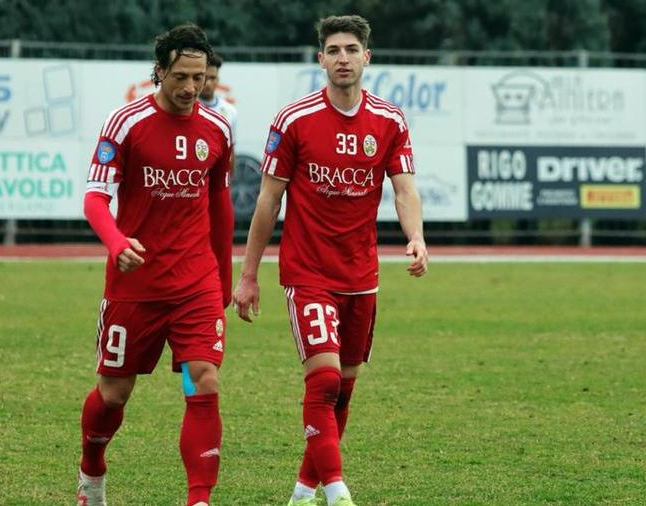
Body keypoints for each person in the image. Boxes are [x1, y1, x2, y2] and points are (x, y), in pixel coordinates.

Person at [232, 15, 428, 506]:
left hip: (361, 274)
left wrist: (416, 237)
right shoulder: (294, 120)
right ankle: (338, 492)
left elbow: (404, 189)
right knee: (322, 378)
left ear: (367, 57)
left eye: (351, 50)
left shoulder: (389, 120)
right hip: (308, 272)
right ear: (320, 59)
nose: (343, 58)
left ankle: (303, 492)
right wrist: (249, 275)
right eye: (334, 50)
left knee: (343, 388)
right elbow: (268, 202)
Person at [77, 23, 233, 506]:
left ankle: (199, 499)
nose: (191, 87)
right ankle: (92, 470)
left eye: (199, 78)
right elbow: (95, 198)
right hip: (136, 284)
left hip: (196, 282)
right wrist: (115, 241)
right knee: (113, 393)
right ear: (159, 71)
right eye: (181, 76)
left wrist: (225, 281)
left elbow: (220, 205)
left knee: (204, 379)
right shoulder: (126, 122)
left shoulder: (218, 128)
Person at [199, 52, 237, 134]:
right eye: (204, 77)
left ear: (218, 80)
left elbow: (231, 142)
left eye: (212, 78)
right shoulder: (186, 108)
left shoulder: (230, 111)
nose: (208, 83)